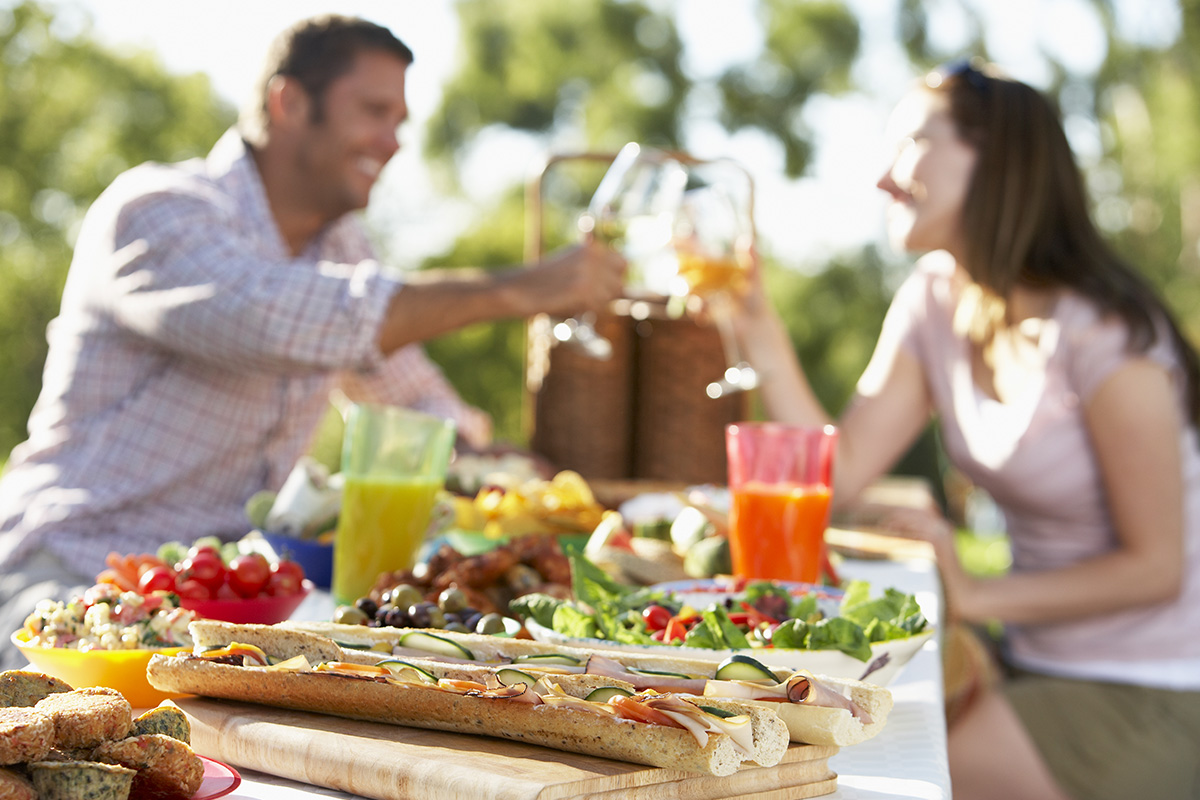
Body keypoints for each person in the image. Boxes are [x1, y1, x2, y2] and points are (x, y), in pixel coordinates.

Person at [0, 14, 623, 666]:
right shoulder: (156, 212)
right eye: (375, 112)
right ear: (288, 102)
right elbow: (285, 320)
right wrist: (529, 288)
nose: (393, 142)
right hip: (69, 570)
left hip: (228, 594)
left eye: (401, 122)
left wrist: (483, 460)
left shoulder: (340, 246)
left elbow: (407, 394)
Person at [734, 60, 1200, 800]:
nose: (883, 178)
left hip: (1153, 691)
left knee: (855, 772)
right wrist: (754, 324)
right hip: (1033, 664)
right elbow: (842, 471)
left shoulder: (1108, 338)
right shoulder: (935, 301)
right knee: (823, 735)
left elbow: (1158, 568)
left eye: (912, 142)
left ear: (998, 159)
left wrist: (973, 593)